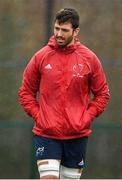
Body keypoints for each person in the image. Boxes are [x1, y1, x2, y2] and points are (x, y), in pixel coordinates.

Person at [18, 8, 110, 180]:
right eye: (56, 28)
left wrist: (86, 117)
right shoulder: (41, 57)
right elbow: (25, 92)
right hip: (46, 135)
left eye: (64, 30)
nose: (59, 34)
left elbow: (103, 94)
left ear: (76, 32)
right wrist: (39, 116)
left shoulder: (89, 59)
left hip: (77, 136)